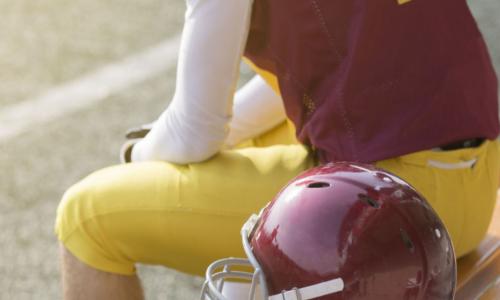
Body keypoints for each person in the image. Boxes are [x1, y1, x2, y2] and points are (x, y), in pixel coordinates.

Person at [55, 0, 499, 299]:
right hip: (474, 179)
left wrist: (135, 158)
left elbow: (194, 130)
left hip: (393, 205)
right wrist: (231, 137)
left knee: (86, 218)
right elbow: (333, 70)